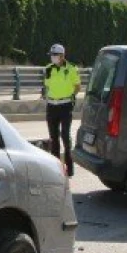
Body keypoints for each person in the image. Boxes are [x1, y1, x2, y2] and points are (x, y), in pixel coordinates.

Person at [43, 43, 82, 176]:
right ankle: (56, 169)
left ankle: (69, 168)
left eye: (55, 55)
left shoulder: (71, 69)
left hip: (65, 106)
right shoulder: (48, 69)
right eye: (51, 55)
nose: (52, 57)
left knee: (65, 136)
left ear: (62, 55)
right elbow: (47, 86)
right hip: (51, 106)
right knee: (53, 139)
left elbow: (77, 86)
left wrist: (71, 97)